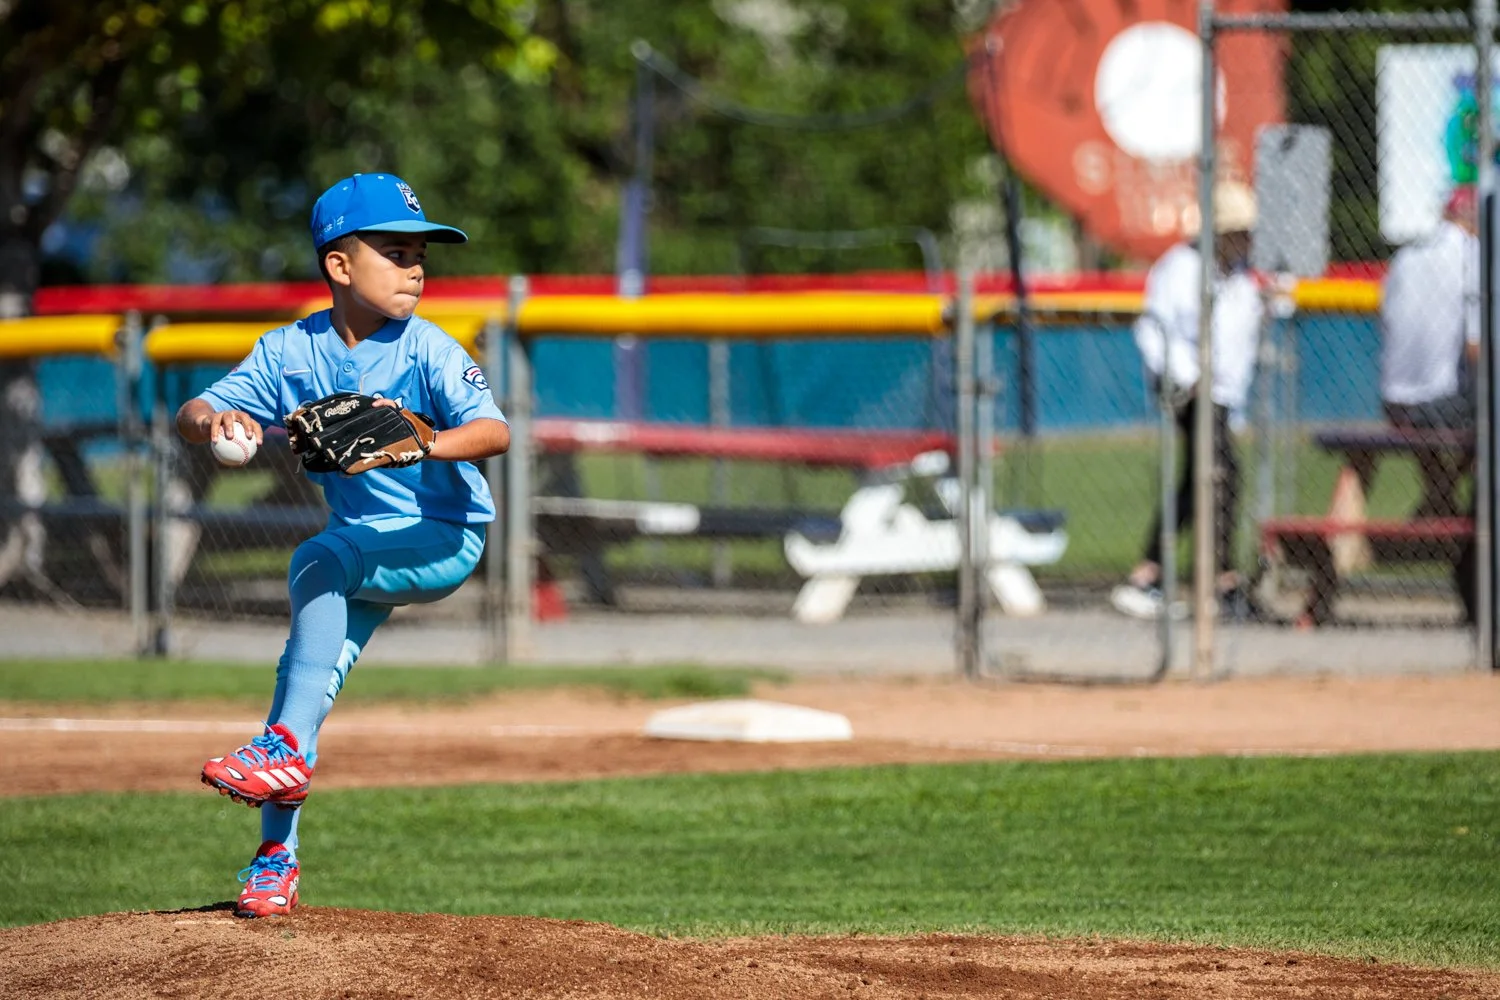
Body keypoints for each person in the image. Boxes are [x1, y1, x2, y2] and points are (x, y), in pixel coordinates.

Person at [175, 173, 511, 918]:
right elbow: (198, 408)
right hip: (362, 542)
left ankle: (283, 756)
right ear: (338, 265)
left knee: (316, 560)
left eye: (421, 254)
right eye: (395, 251)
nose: (416, 268)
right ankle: (274, 860)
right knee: (303, 686)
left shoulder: (427, 349)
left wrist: (423, 443)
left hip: (442, 537)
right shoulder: (290, 351)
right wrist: (214, 425)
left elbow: (496, 431)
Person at [1110, 181, 1264, 621]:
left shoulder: (1239, 276)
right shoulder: (1181, 268)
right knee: (1223, 474)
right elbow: (1153, 331)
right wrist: (1185, 381)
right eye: (1238, 232)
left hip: (1224, 393)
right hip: (1191, 389)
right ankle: (1220, 578)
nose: (1245, 241)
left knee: (1200, 479)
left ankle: (1150, 571)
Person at [1379, 184, 1480, 519]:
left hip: (1393, 402)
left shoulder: (1406, 257)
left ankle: (1438, 500)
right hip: (1435, 404)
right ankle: (1460, 512)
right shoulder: (1473, 255)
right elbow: (1475, 348)